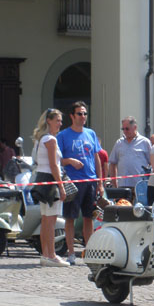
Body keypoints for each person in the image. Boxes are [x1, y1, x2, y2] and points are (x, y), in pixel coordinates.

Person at [57, 101, 103, 266]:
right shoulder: (63, 136)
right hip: (73, 182)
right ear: (72, 116)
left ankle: (89, 251)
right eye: (80, 114)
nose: (83, 117)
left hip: (90, 180)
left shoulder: (90, 133)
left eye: (85, 113)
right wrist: (70, 161)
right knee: (70, 218)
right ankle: (70, 253)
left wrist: (100, 181)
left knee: (88, 218)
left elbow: (96, 158)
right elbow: (57, 160)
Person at [31, 109, 69, 267]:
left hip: (42, 180)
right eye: (58, 120)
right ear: (49, 121)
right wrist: (61, 187)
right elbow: (54, 166)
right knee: (51, 220)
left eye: (60, 120)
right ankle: (51, 255)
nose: (60, 123)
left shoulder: (41, 139)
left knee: (46, 219)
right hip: (50, 181)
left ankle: (46, 254)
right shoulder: (51, 140)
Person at [109, 116, 152, 188]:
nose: (125, 131)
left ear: (135, 127)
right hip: (122, 186)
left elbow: (152, 164)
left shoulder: (145, 142)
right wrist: (114, 184)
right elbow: (112, 164)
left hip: (139, 186)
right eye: (123, 129)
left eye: (127, 129)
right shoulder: (119, 143)